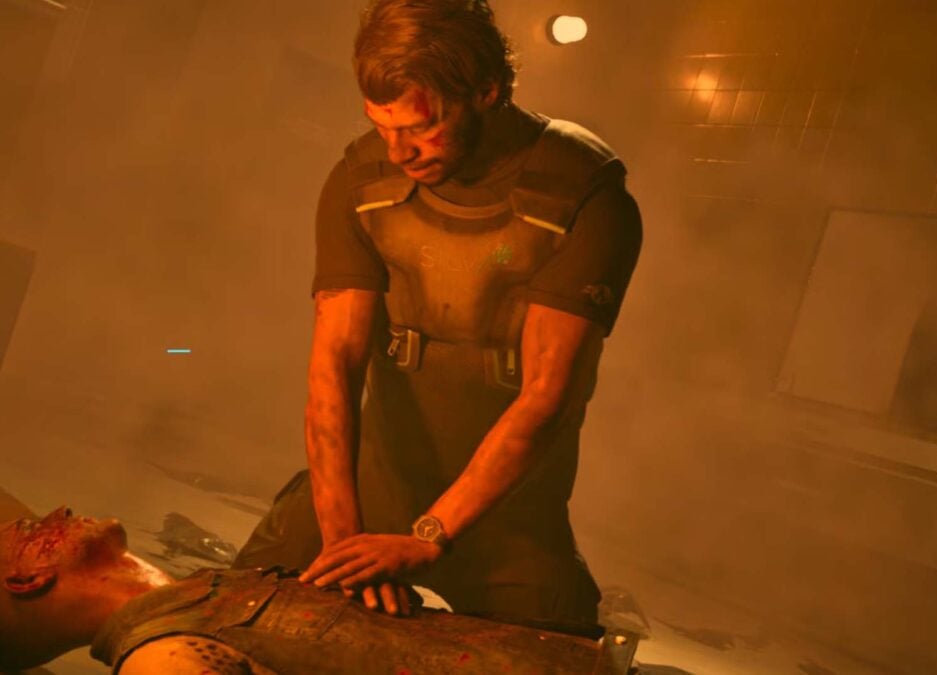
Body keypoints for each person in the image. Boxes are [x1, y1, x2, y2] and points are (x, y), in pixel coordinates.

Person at [233, 0, 643, 632]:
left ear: (487, 90)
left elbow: (548, 396)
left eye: (421, 127)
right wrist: (344, 545)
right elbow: (334, 368)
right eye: (382, 127)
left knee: (558, 656)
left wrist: (430, 535)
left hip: (509, 514)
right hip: (372, 483)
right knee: (224, 614)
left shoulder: (582, 193)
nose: (399, 151)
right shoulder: (360, 183)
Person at [0, 506, 616, 674]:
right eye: (30, 529)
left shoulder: (202, 599)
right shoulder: (163, 660)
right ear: (27, 578)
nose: (54, 511)